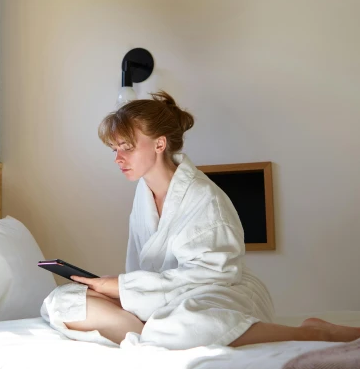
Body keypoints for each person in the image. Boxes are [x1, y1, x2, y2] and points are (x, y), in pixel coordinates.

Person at [41, 91, 360, 348]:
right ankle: (147, 332)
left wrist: (123, 288)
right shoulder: (143, 193)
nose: (118, 158)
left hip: (220, 292)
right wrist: (118, 291)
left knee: (183, 325)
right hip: (161, 298)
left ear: (160, 144)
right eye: (114, 149)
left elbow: (214, 275)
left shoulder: (204, 198)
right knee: (61, 300)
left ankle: (313, 333)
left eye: (126, 147)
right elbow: (141, 265)